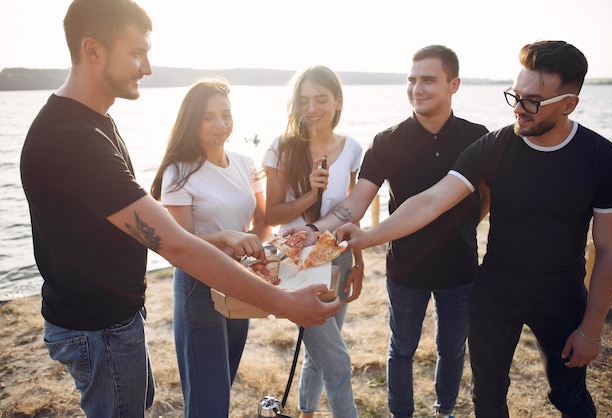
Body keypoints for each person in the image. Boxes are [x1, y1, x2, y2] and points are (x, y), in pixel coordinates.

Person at [19, 1, 339, 416]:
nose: (147, 68)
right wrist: (285, 303)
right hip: (95, 328)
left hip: (116, 318)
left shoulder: (97, 122)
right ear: (92, 50)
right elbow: (177, 245)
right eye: (137, 53)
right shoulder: (71, 138)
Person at [334, 41, 612, 418]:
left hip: (562, 296)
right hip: (494, 295)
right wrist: (368, 236)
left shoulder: (604, 159)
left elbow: (610, 250)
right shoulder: (496, 144)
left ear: (569, 104)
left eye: (533, 101)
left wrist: (591, 330)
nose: (519, 109)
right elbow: (433, 199)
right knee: (487, 400)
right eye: (515, 96)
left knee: (569, 397)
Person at [286, 46, 490, 418]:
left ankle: (445, 410)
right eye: (412, 80)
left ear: (453, 84)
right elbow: (355, 203)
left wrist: (461, 227)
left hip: (461, 267)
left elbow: (486, 197)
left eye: (428, 79)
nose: (417, 88)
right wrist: (314, 229)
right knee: (401, 349)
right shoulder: (387, 141)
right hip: (405, 268)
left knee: (453, 348)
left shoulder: (478, 138)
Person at [150, 80, 270, 417]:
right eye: (208, 117)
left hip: (240, 279)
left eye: (225, 115)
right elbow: (178, 243)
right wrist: (225, 237)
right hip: (198, 286)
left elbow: (264, 222)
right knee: (208, 401)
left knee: (223, 384)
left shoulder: (246, 163)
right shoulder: (179, 171)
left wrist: (248, 250)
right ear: (192, 121)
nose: (220, 125)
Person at [263, 65, 364, 418]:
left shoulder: (352, 149)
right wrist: (310, 193)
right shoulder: (280, 148)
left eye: (321, 99)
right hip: (298, 266)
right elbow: (271, 215)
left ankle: (306, 411)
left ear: (338, 101)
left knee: (320, 348)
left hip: (338, 259)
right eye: (303, 100)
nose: (312, 108)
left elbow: (353, 210)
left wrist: (359, 262)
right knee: (336, 360)